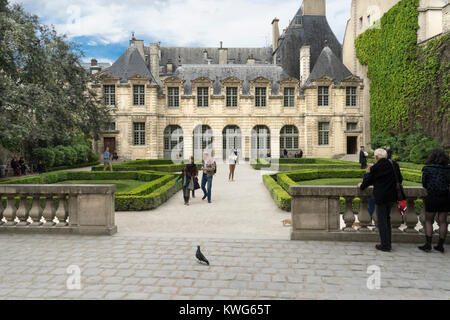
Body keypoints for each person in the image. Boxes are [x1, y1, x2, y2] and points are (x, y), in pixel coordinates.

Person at [358, 148, 402, 252]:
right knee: (387, 219)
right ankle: (388, 243)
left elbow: (366, 183)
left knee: (382, 221)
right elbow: (400, 179)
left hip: (381, 197)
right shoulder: (394, 164)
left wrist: (367, 173)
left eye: (374, 157)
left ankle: (385, 245)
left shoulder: (375, 167)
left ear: (377, 157)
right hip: (392, 196)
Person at [418, 148, 449, 253]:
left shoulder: (427, 168)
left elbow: (424, 183)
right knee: (443, 221)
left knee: (428, 220)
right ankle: (440, 245)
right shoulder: (448, 169)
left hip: (432, 196)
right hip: (445, 196)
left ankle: (428, 244)